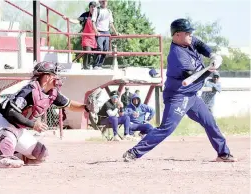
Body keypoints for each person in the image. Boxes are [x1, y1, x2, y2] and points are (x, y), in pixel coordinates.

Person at [123, 18, 236, 162]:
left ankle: (223, 154)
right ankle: (134, 152)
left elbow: (199, 44)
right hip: (178, 96)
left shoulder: (187, 41)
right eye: (187, 32)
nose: (190, 35)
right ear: (177, 35)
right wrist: (212, 69)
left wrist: (211, 55)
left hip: (192, 95)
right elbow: (193, 77)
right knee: (166, 128)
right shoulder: (177, 55)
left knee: (210, 122)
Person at [0, 61, 90, 168]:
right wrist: (33, 125)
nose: (57, 77)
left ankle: (13, 154)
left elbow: (70, 105)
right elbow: (11, 113)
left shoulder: (52, 93)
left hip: (17, 128)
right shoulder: (29, 91)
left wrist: (86, 107)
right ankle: (4, 157)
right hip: (1, 121)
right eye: (54, 74)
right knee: (9, 132)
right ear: (46, 77)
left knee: (40, 154)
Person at [64, 1, 97, 69]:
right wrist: (68, 19)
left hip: (94, 37)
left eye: (94, 7)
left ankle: (93, 66)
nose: (93, 8)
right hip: (86, 37)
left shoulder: (98, 15)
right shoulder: (85, 15)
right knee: (88, 51)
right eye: (91, 7)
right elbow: (77, 21)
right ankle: (85, 66)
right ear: (89, 8)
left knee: (95, 53)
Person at [91, 0, 120, 70]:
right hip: (99, 31)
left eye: (105, 1)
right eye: (103, 1)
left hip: (106, 32)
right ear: (100, 2)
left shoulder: (109, 11)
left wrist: (116, 32)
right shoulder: (96, 10)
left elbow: (111, 23)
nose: (104, 2)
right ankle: (95, 65)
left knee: (106, 49)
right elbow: (93, 22)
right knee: (99, 48)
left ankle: (100, 65)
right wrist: (96, 31)